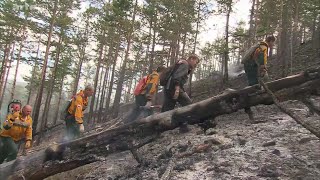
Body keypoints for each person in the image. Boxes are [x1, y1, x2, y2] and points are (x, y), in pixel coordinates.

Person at [243, 35, 276, 120]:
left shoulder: (260, 45)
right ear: (271, 41)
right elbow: (262, 59)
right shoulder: (264, 46)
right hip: (250, 65)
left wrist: (262, 68)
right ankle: (247, 102)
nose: (273, 45)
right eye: (273, 43)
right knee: (253, 84)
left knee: (254, 82)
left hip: (249, 65)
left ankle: (249, 103)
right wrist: (263, 68)